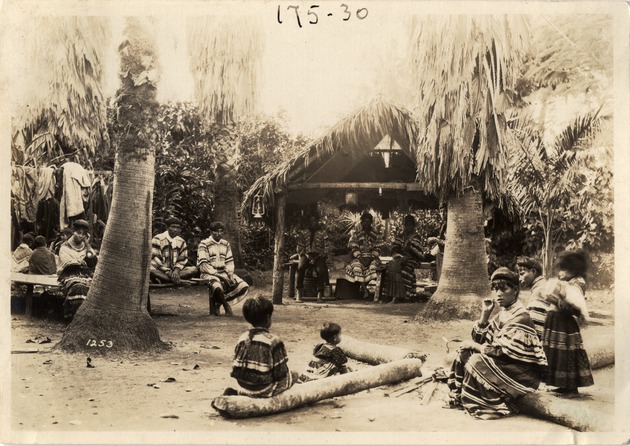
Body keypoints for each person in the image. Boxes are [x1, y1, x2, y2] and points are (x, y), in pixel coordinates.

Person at [447, 267, 548, 420]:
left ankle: (492, 403)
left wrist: (474, 346)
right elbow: (480, 340)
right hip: (504, 365)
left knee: (475, 360)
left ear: (515, 291)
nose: (498, 294)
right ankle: (461, 395)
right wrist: (484, 314)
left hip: (522, 373)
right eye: (495, 289)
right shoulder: (504, 314)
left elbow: (500, 352)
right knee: (464, 352)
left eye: (503, 289)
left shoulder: (521, 317)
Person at [541, 250, 593, 396]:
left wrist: (555, 299)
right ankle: (562, 384)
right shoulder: (566, 282)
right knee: (556, 353)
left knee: (567, 353)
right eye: (561, 269)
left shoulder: (577, 284)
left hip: (564, 324)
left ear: (575, 269)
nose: (561, 272)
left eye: (565, 269)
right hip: (556, 322)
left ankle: (571, 387)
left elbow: (574, 307)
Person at [226, 295, 298, 397]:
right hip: (263, 389)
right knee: (295, 374)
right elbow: (280, 373)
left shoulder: (242, 338)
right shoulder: (273, 341)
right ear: (268, 317)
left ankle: (242, 392)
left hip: (242, 386)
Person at [197, 221, 249, 316]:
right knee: (217, 286)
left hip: (224, 272)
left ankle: (219, 302)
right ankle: (226, 306)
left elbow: (229, 262)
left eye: (221, 231)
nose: (218, 234)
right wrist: (218, 275)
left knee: (243, 286)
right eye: (216, 231)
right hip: (208, 273)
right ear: (210, 232)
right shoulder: (204, 244)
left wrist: (230, 275)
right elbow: (204, 264)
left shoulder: (226, 244)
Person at [57, 219, 98, 322]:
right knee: (78, 287)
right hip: (69, 274)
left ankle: (88, 318)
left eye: (83, 234)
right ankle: (76, 318)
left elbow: (93, 261)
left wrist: (88, 244)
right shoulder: (64, 247)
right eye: (78, 232)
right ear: (73, 232)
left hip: (85, 275)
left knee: (93, 287)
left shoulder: (86, 247)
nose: (80, 236)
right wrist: (79, 263)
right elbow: (66, 263)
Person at [384, 214, 425, 303]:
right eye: (407, 224)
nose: (408, 226)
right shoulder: (401, 235)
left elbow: (419, 253)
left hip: (412, 259)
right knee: (389, 268)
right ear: (404, 225)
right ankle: (391, 295)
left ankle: (401, 296)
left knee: (404, 270)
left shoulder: (416, 237)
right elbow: (395, 247)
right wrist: (398, 255)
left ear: (414, 226)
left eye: (411, 224)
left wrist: (409, 251)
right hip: (400, 258)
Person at [345, 211, 384, 299]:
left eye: (368, 221)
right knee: (356, 266)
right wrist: (359, 257)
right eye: (364, 221)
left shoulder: (376, 234)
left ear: (371, 223)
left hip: (372, 258)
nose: (366, 224)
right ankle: (364, 289)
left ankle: (363, 289)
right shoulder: (356, 234)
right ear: (361, 223)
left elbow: (379, 248)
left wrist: (372, 257)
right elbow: (354, 247)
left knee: (374, 268)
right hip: (359, 257)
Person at [291, 214, 329, 303]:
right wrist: (307, 256)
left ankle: (320, 293)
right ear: (308, 222)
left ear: (317, 221)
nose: (313, 223)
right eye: (311, 221)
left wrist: (319, 256)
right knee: (300, 269)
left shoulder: (323, 233)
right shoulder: (303, 233)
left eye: (315, 221)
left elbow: (326, 247)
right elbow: (300, 248)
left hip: (318, 256)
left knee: (320, 270)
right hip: (306, 255)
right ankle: (299, 291)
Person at [150, 217, 198, 285]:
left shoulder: (181, 241)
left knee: (193, 270)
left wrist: (176, 270)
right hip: (160, 270)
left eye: (178, 228)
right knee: (151, 270)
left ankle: (167, 280)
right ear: (167, 227)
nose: (175, 230)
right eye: (173, 227)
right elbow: (156, 260)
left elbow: (182, 259)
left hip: (174, 272)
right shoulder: (158, 239)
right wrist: (167, 272)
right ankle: (180, 281)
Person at [516, 256, 547, 340]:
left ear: (533, 271)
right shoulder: (543, 286)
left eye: (522, 274)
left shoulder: (539, 292)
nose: (519, 279)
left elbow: (537, 329)